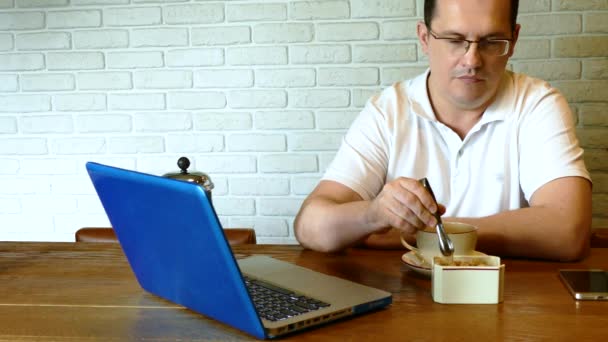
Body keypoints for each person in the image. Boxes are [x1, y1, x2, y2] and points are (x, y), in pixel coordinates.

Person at [293, 0, 592, 262]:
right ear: (424, 37)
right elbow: (310, 226)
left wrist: (423, 233)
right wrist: (373, 215)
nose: (472, 60)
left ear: (513, 40)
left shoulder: (537, 104)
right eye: (454, 39)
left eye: (491, 41)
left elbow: (569, 231)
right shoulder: (387, 111)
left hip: (507, 303)